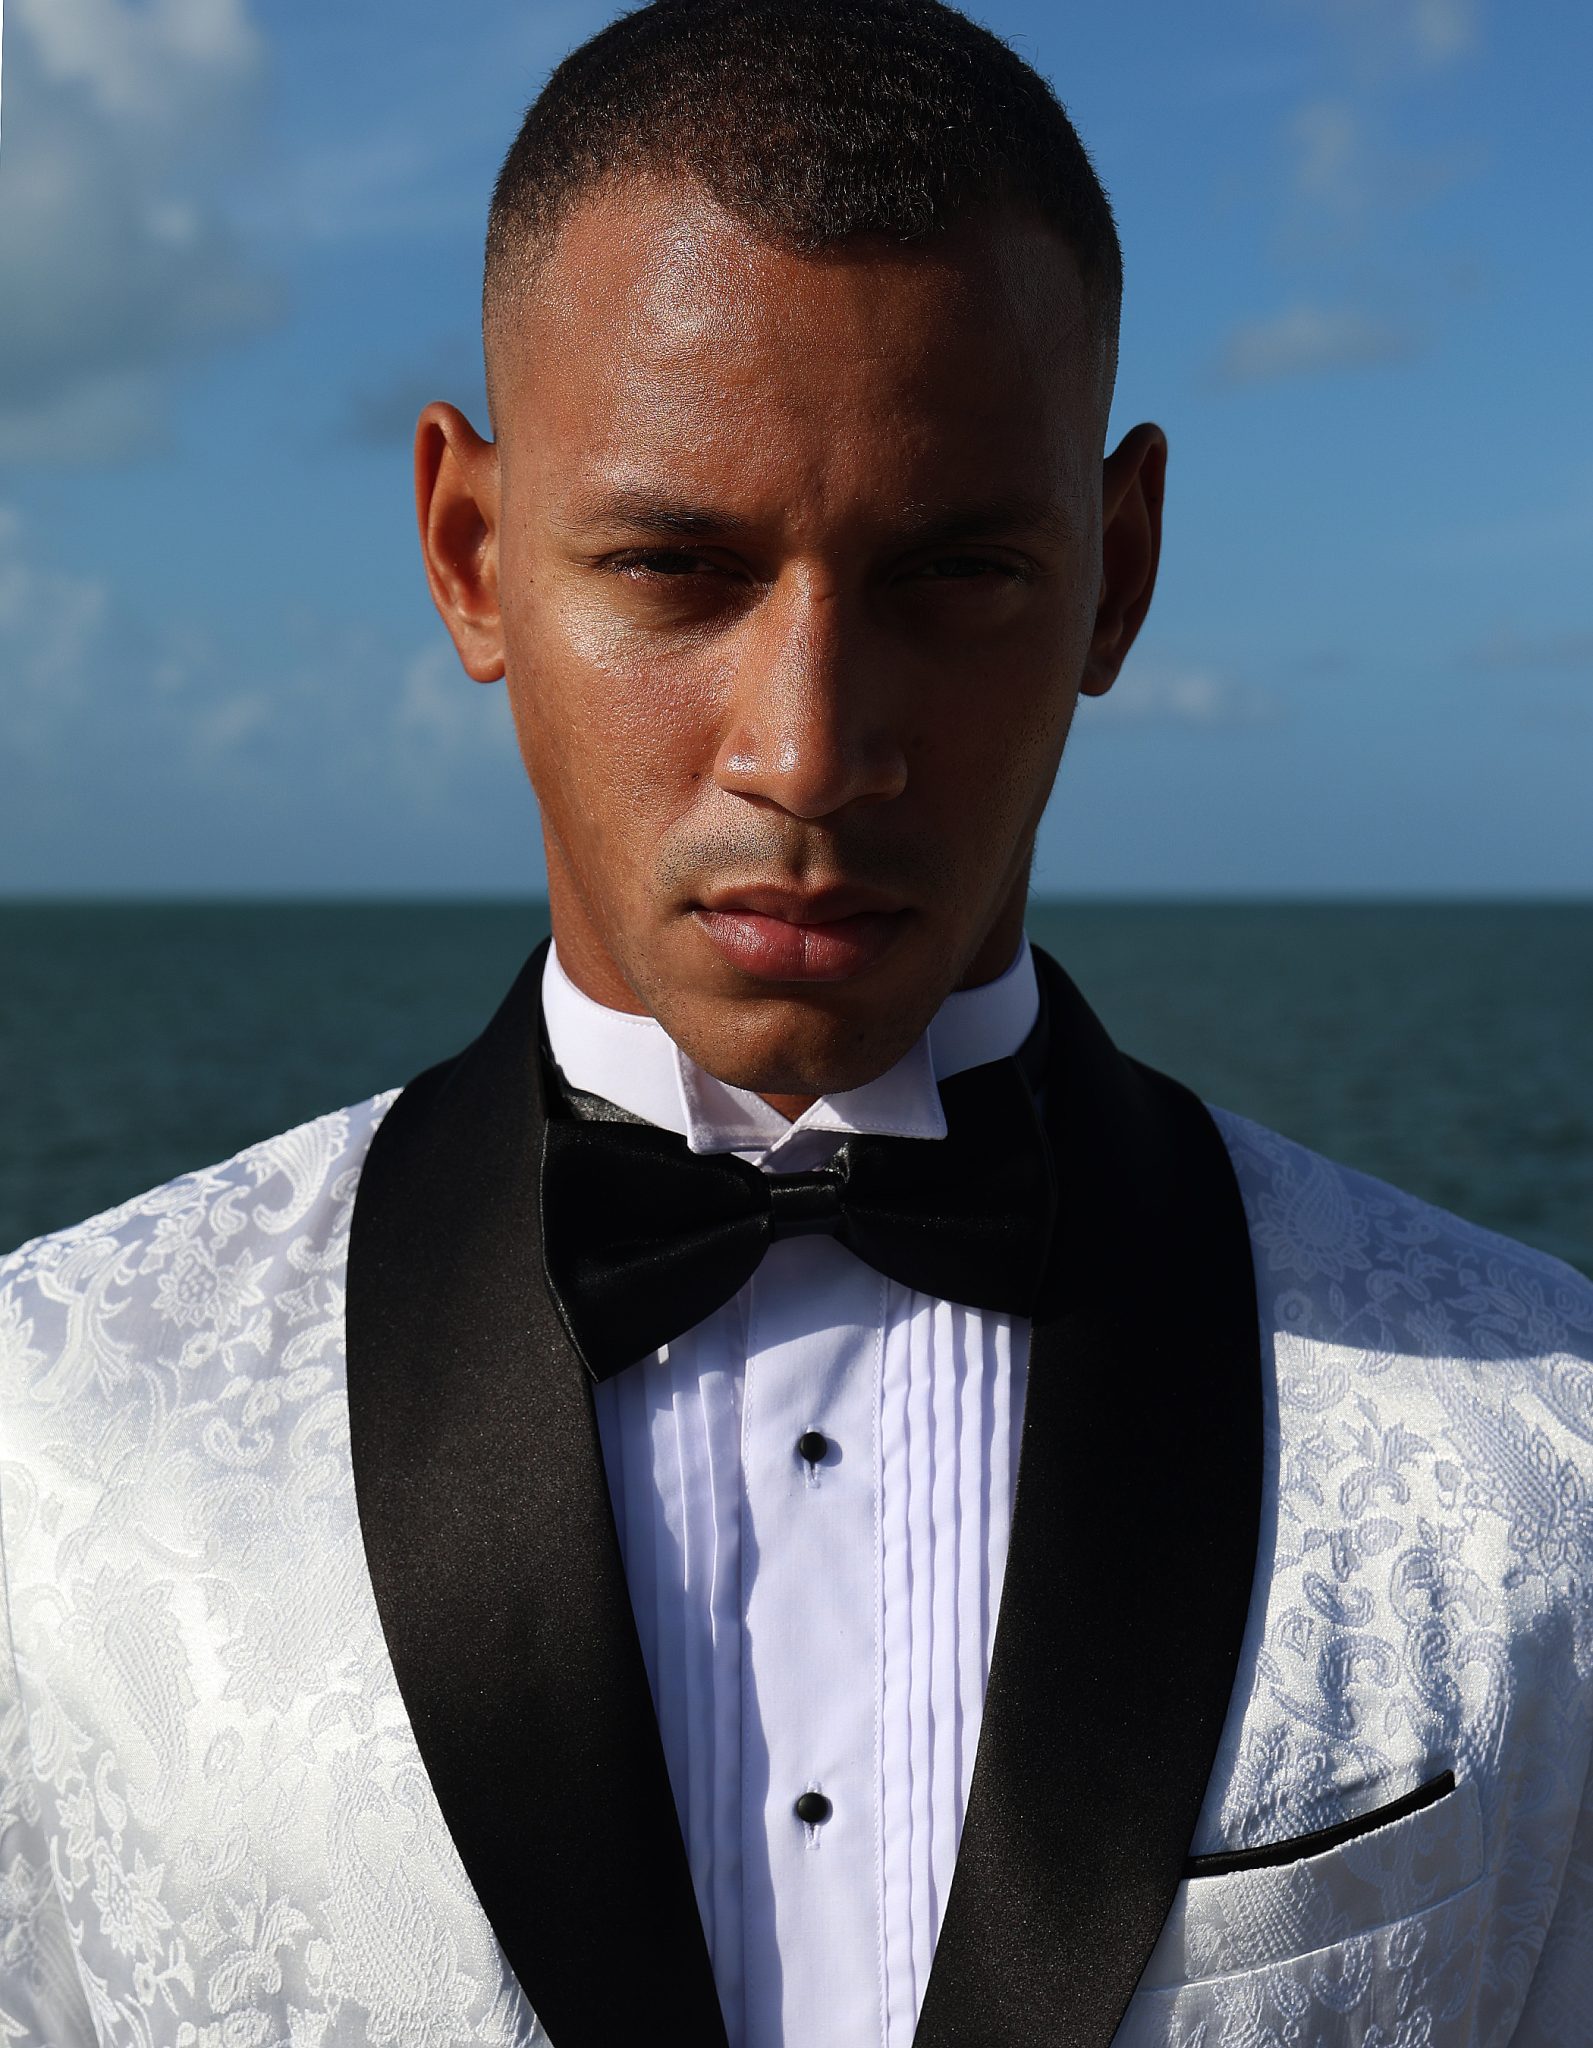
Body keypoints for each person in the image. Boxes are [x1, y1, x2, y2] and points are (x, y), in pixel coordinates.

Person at [2, 1, 1591, 2042]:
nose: (808, 749)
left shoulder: (1545, 1453)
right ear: (470, 556)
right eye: (675, 566)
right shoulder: (48, 1440)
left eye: (954, 572)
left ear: (1115, 575)